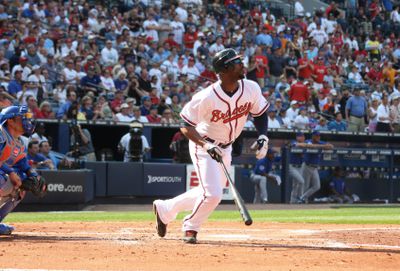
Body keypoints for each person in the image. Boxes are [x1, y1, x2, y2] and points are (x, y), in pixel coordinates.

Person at [153, 48, 270, 244]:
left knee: (207, 192)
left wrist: (263, 136)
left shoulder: (251, 88)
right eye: (237, 62)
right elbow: (185, 126)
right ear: (225, 69)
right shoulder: (206, 97)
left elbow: (260, 114)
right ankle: (190, 227)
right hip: (204, 146)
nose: (243, 65)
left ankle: (165, 209)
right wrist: (205, 145)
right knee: (214, 194)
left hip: (227, 147)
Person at [0, 105, 46, 235]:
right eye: (23, 117)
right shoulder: (1, 133)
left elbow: (23, 164)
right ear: (10, 121)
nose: (27, 121)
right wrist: (10, 172)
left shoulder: (20, 142)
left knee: (23, 185)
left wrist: (34, 175)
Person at [299, 130, 334, 203]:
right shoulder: (308, 141)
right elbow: (308, 146)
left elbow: (331, 146)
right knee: (305, 186)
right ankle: (303, 201)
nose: (318, 137)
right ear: (313, 136)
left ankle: (302, 198)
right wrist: (322, 146)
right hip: (307, 166)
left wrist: (322, 146)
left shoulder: (321, 142)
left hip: (314, 168)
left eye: (319, 136)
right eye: (317, 136)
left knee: (317, 186)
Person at [288, 132, 306, 204]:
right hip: (292, 166)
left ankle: (292, 201)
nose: (301, 138)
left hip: (300, 166)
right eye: (300, 136)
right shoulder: (293, 142)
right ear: (297, 137)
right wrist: (303, 145)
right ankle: (300, 198)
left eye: (302, 136)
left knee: (295, 184)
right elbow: (293, 145)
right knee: (301, 181)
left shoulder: (306, 143)